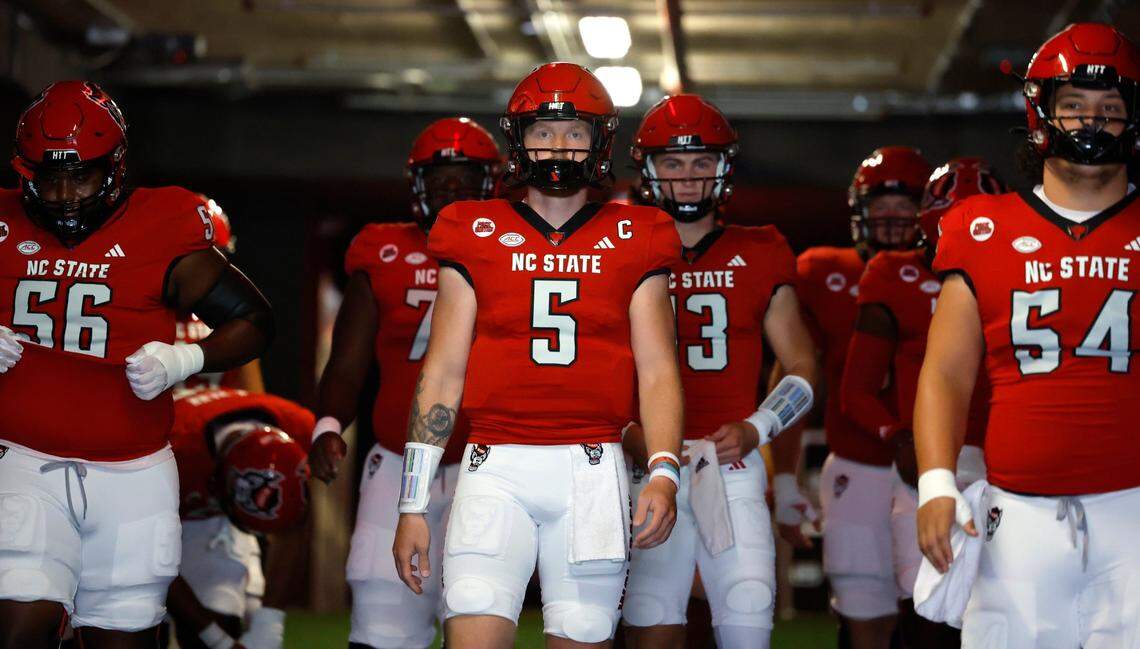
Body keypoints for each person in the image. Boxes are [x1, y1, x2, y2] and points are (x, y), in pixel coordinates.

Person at [391, 62, 684, 649]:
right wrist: (413, 501)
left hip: (593, 467)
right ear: (517, 140)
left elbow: (657, 370)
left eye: (574, 132)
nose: (558, 146)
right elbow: (443, 371)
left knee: (583, 634)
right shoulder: (470, 227)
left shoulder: (641, 232)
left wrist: (664, 471)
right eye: (543, 131)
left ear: (600, 143)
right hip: (492, 464)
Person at [0, 81, 273, 648]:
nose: (68, 195)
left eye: (83, 176)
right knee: (20, 622)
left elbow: (254, 319)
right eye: (51, 178)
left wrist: (187, 356)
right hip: (21, 461)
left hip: (134, 473)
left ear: (116, 168)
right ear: (27, 173)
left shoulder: (161, 223)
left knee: (123, 634)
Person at [916, 22, 1140, 648]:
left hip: (1136, 510)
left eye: (1111, 108)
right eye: (1074, 105)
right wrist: (936, 481)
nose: (1091, 122)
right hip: (1015, 514)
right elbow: (946, 372)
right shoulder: (980, 225)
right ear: (1041, 111)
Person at [619, 94, 817, 649]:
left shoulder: (761, 249)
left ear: (723, 168)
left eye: (702, 162)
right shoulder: (622, 248)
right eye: (674, 163)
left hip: (733, 467)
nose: (688, 176)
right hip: (648, 468)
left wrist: (760, 426)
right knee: (651, 623)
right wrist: (628, 434)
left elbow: (802, 364)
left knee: (747, 613)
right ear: (649, 169)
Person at [307, 116, 501, 649]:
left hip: (487, 462)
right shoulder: (383, 249)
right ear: (417, 185)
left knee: (477, 603)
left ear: (492, 185)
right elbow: (347, 362)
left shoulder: (515, 252)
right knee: (381, 606)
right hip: (396, 455)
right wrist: (328, 425)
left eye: (465, 180)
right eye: (441, 181)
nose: (452, 192)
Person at [770, 146, 932, 649]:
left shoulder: (952, 272)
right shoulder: (822, 271)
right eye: (880, 205)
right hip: (858, 462)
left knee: (936, 607)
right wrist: (782, 474)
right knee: (861, 602)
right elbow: (792, 377)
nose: (891, 218)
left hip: (936, 466)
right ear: (858, 209)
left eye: (905, 206)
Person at [840, 157, 1004, 647]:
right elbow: (856, 389)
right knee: (928, 603)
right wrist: (902, 438)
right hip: (929, 461)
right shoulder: (893, 274)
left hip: (1011, 465)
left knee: (1004, 607)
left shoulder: (1030, 266)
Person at [166, 387, 313, 649]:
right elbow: (145, 552)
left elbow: (296, 517)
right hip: (139, 514)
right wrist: (218, 641)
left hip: (212, 515)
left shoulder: (301, 428)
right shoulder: (172, 449)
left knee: (225, 619)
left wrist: (270, 622)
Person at [175, 195, 265, 393]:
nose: (205, 270)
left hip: (212, 421)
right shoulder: (142, 307)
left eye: (217, 258)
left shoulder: (231, 316)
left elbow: (254, 398)